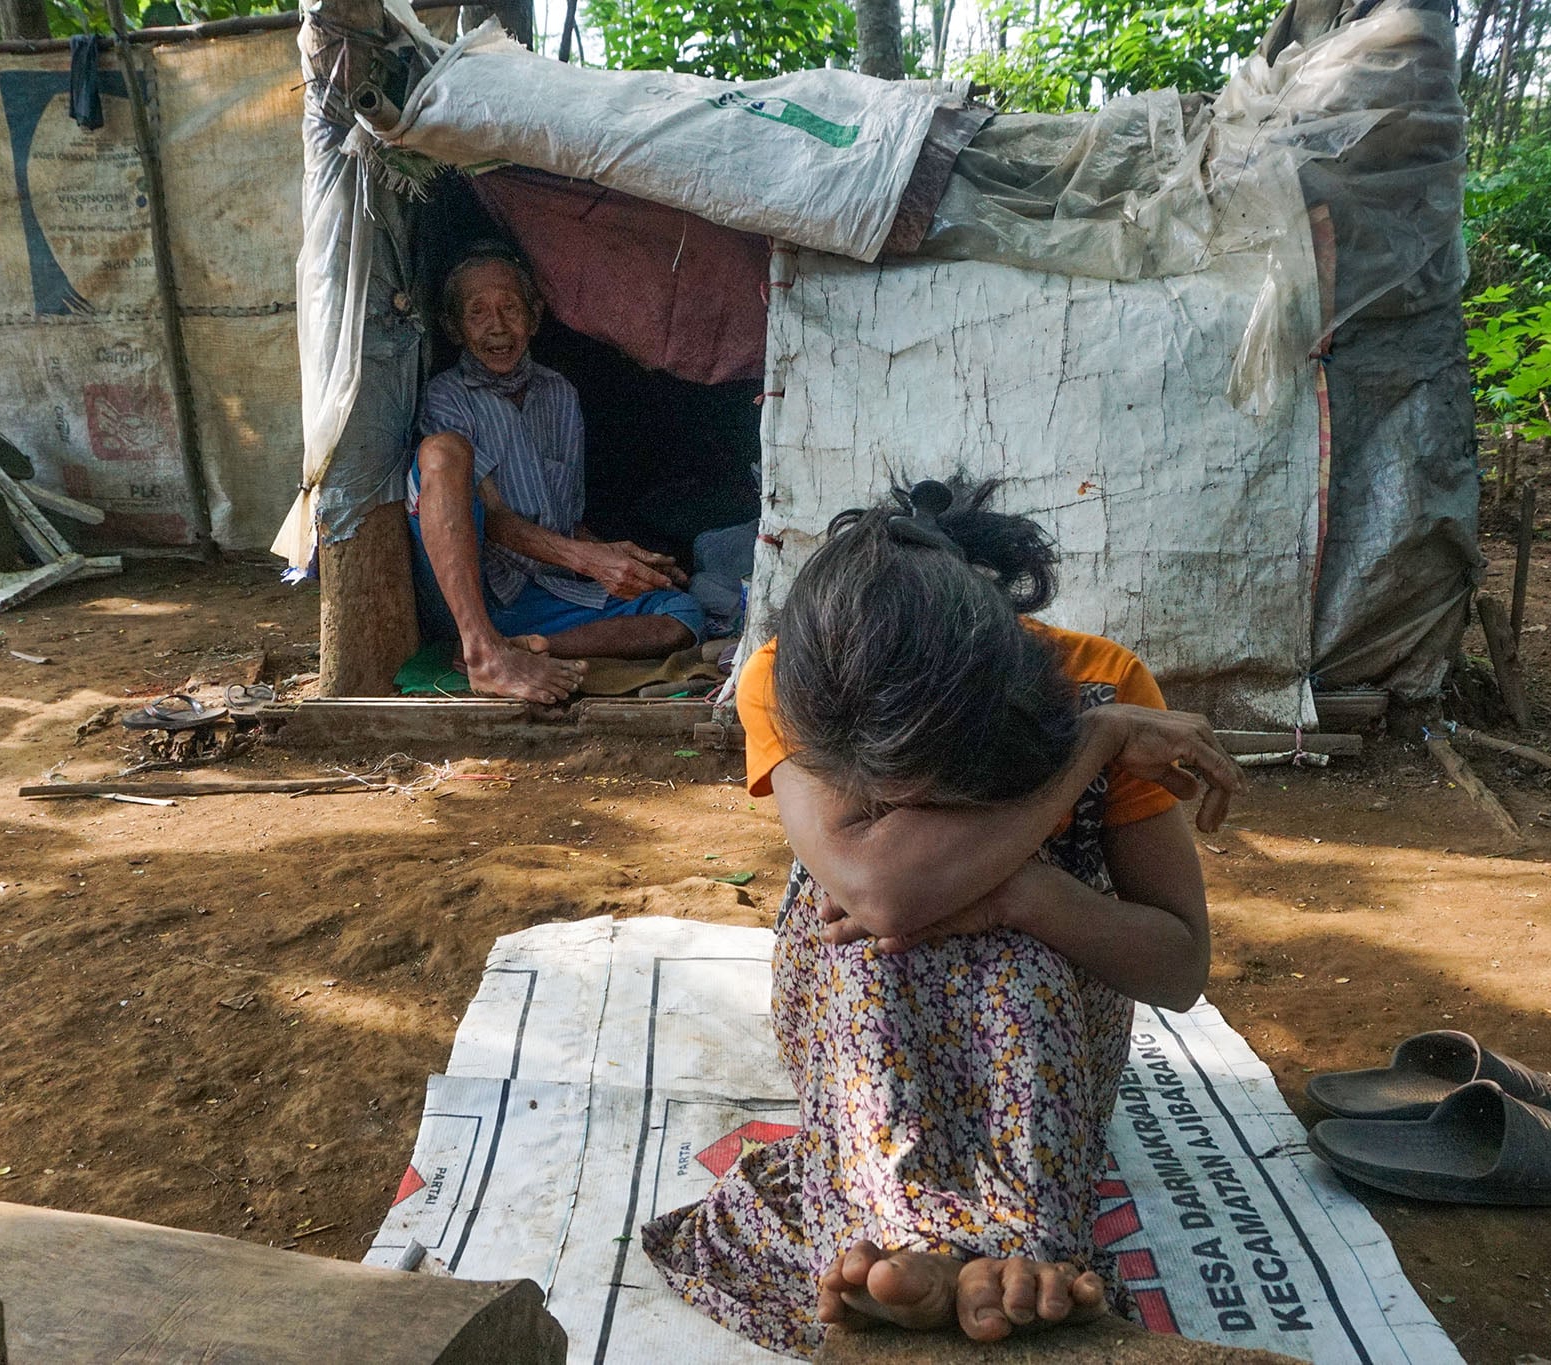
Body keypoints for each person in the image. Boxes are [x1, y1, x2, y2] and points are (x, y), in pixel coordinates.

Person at [642, 476, 1241, 1358]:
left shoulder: (1100, 679)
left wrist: (1022, 893)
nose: (896, 799)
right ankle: (945, 1251)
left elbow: (1180, 969)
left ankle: (974, 1255)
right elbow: (880, 892)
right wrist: (1097, 746)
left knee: (1016, 955)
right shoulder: (791, 673)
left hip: (1050, 1017)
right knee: (866, 941)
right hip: (866, 990)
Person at [411, 249, 707, 704]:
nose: (497, 326)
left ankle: (521, 649)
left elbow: (562, 521)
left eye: (510, 308)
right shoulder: (447, 396)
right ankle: (481, 648)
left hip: (541, 592)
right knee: (442, 452)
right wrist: (589, 561)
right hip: (475, 589)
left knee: (682, 616)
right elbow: (492, 519)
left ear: (534, 317)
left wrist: (619, 560)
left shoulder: (560, 394)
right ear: (454, 329)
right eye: (477, 312)